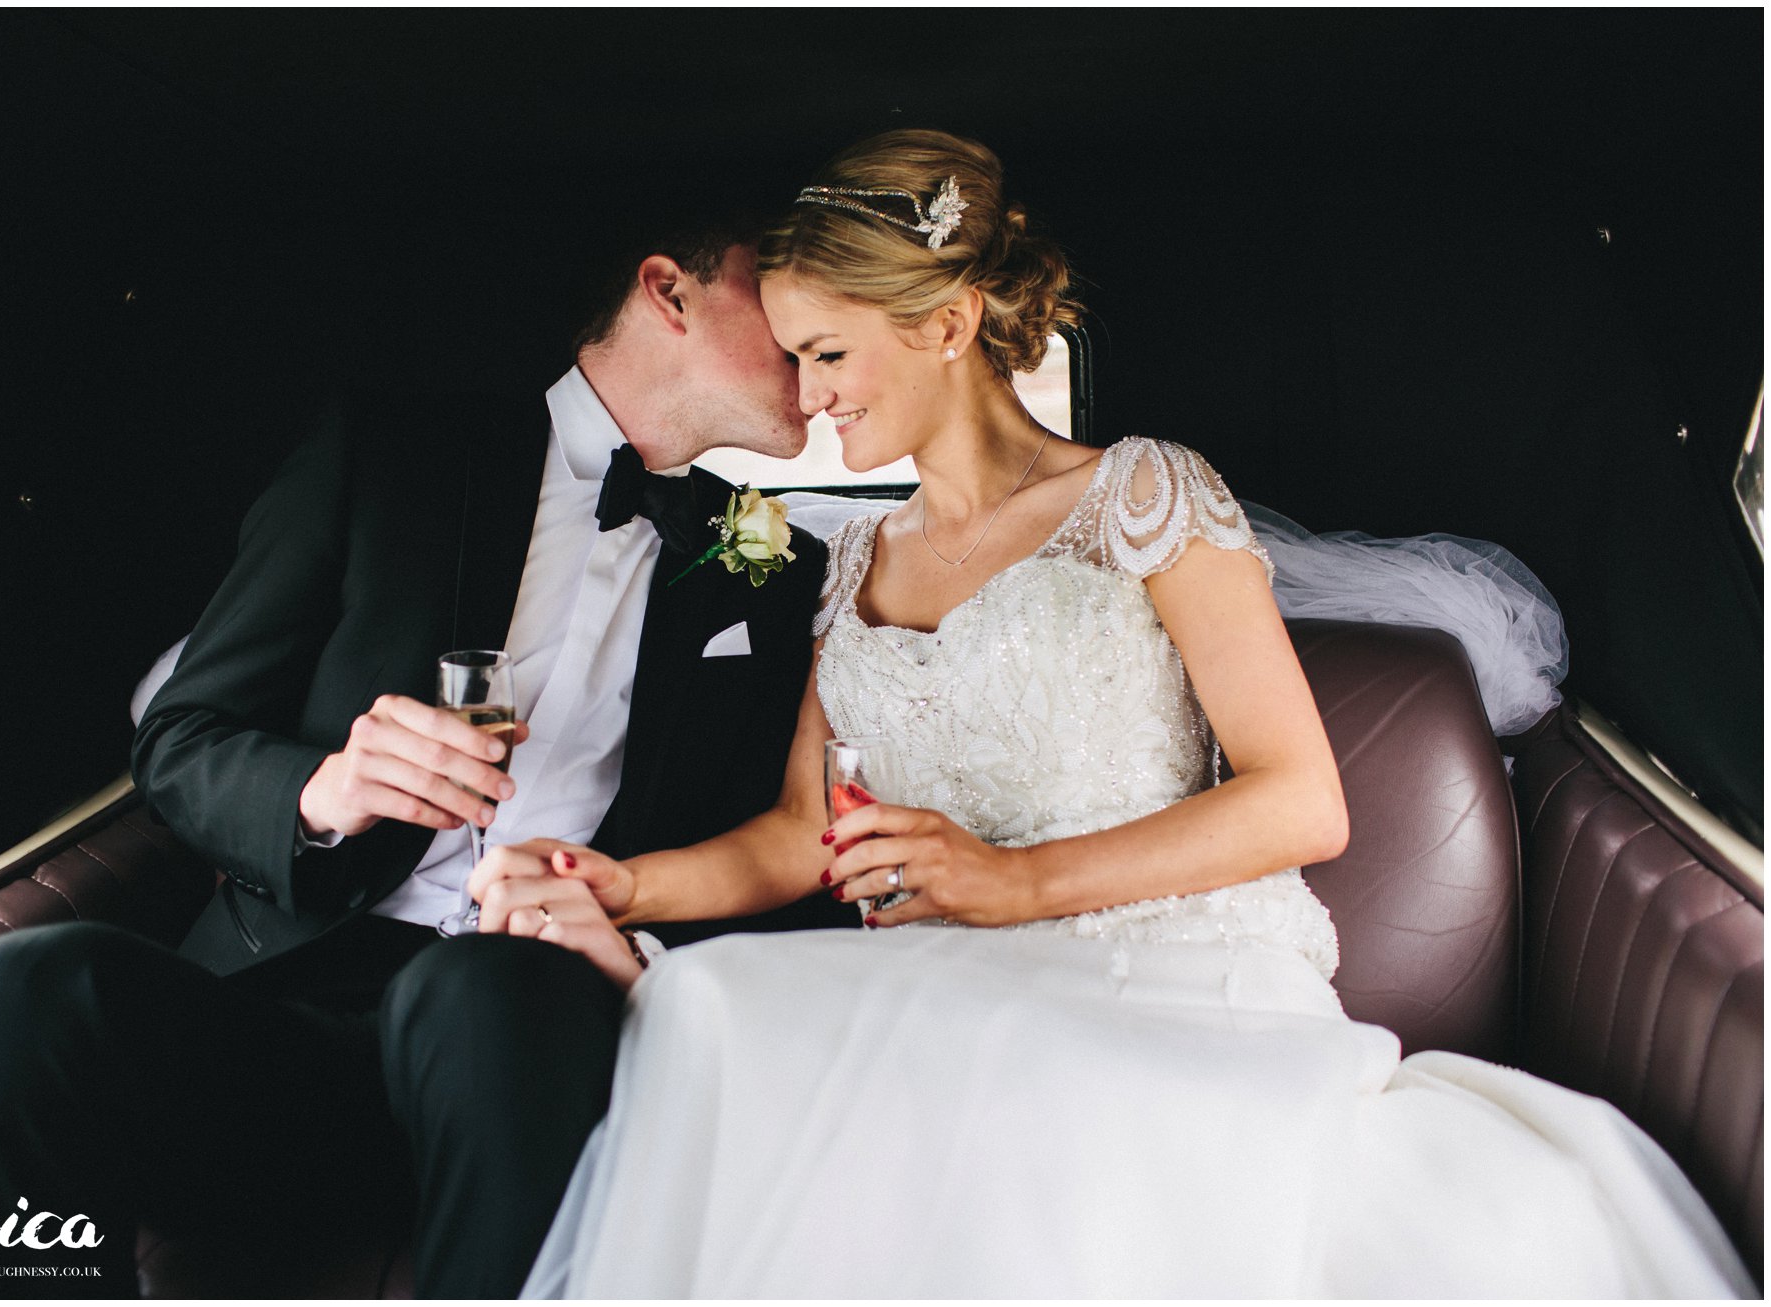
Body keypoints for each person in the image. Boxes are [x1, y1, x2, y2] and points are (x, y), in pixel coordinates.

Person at [472, 130, 1755, 1297]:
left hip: (1172, 976)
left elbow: (1300, 797)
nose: (807, 400)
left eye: (828, 354)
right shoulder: (856, 561)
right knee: (713, 1011)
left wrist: (1011, 882)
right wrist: (621, 885)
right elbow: (805, 830)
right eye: (798, 359)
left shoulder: (1145, 496)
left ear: (946, 323)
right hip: (948, 986)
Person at [0, 192, 855, 1297]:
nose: (804, 320)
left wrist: (634, 957)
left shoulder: (775, 579)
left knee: (488, 988)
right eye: (774, 282)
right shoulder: (388, 452)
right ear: (665, 291)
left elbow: (777, 852)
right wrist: (321, 790)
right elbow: (181, 735)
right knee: (17, 986)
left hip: (535, 1043)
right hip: (279, 1016)